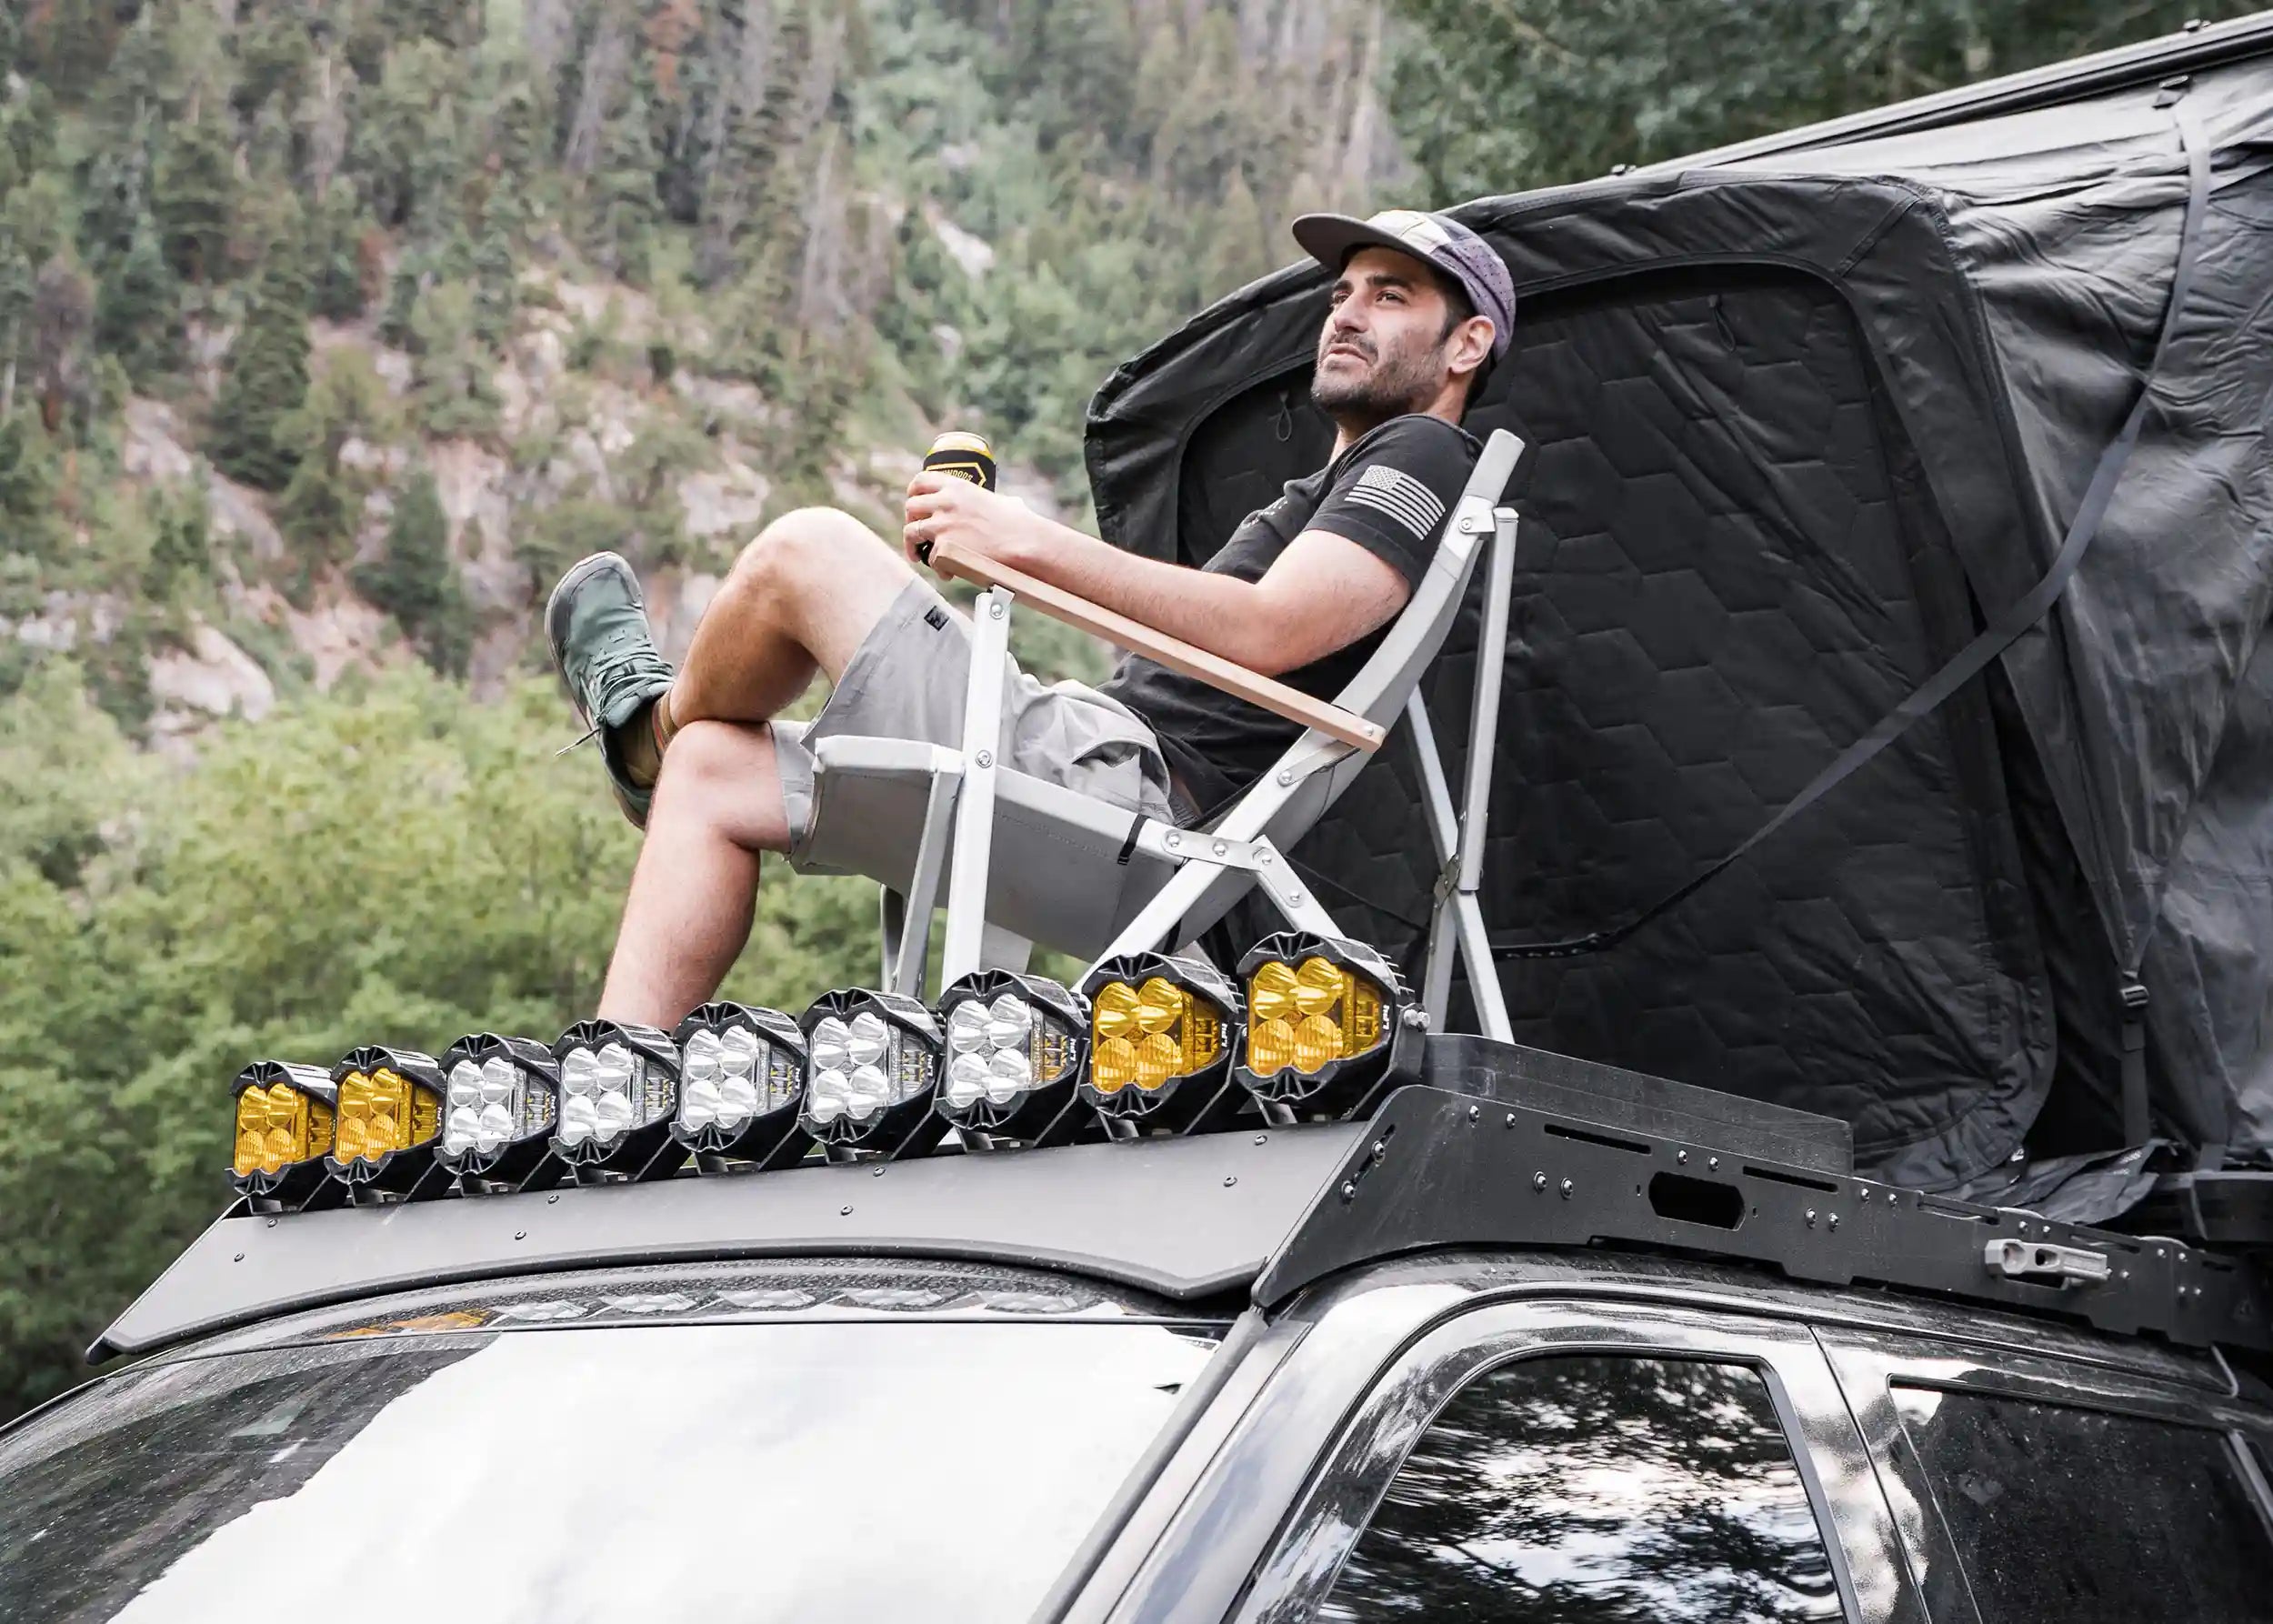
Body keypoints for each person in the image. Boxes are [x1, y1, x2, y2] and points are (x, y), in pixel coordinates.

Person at [547, 208, 1516, 1031]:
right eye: (1342, 293)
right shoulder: (1349, 475)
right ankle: (617, 1074)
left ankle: (646, 731)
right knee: (713, 774)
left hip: (1131, 802)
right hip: (1094, 787)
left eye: (1391, 296)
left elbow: (1274, 628)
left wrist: (1023, 542)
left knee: (805, 552)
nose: (1347, 313)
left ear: (1466, 343)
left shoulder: (1421, 450)